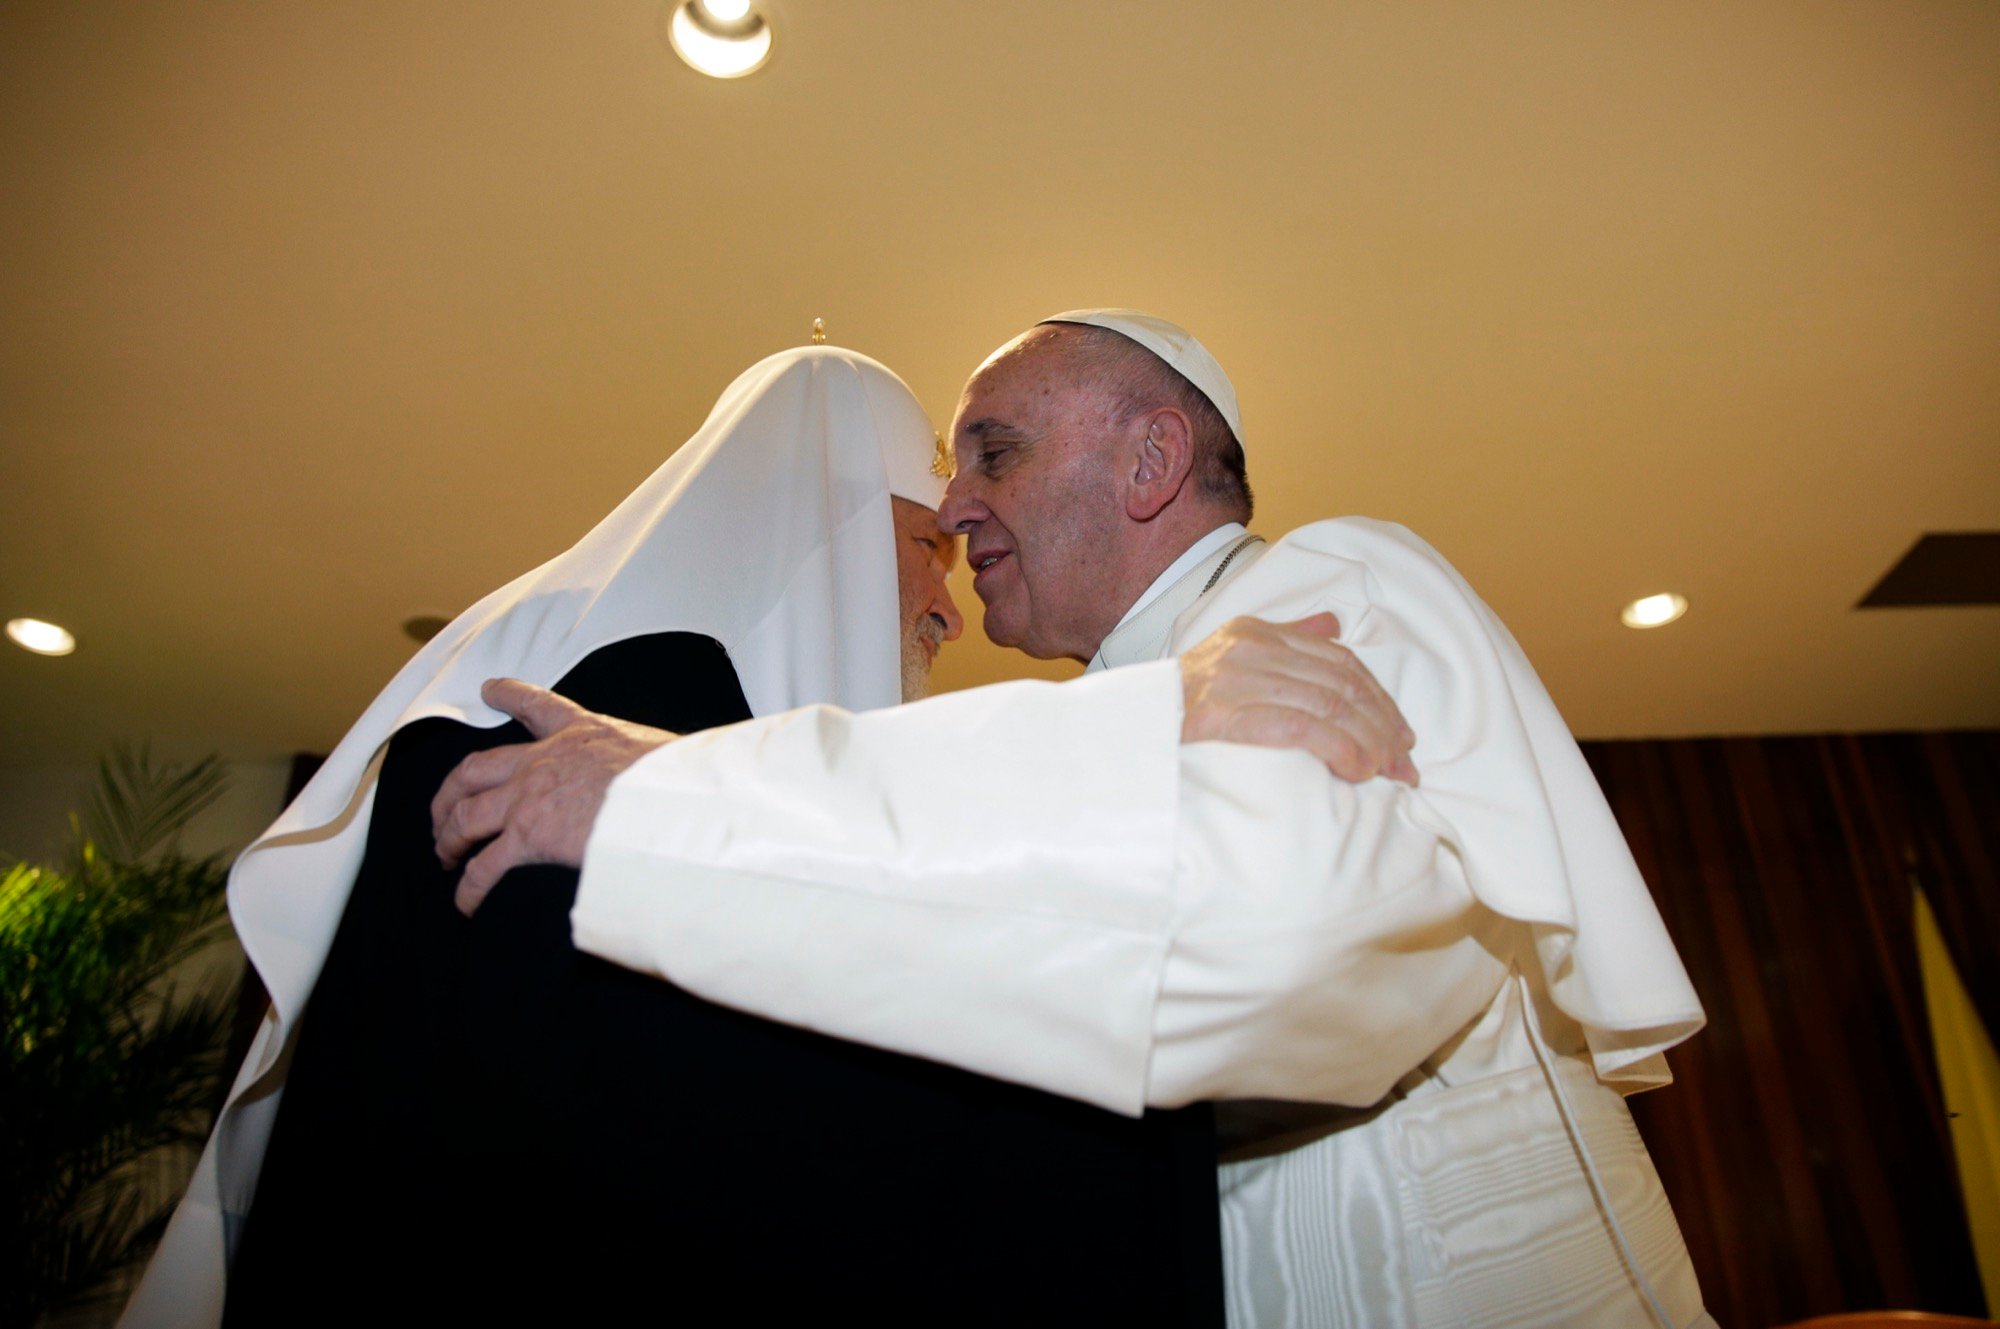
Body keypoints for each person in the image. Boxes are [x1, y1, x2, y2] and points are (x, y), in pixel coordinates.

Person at [434, 311, 1718, 1327]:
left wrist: (674, 804)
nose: (950, 509)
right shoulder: (1144, 702)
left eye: (993, 452)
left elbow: (1267, 936)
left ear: (1150, 462)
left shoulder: (1325, 584)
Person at [123, 340, 1411, 1328]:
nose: (948, 606)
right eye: (925, 544)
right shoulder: (602, 735)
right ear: (818, 531)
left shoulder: (699, 770)